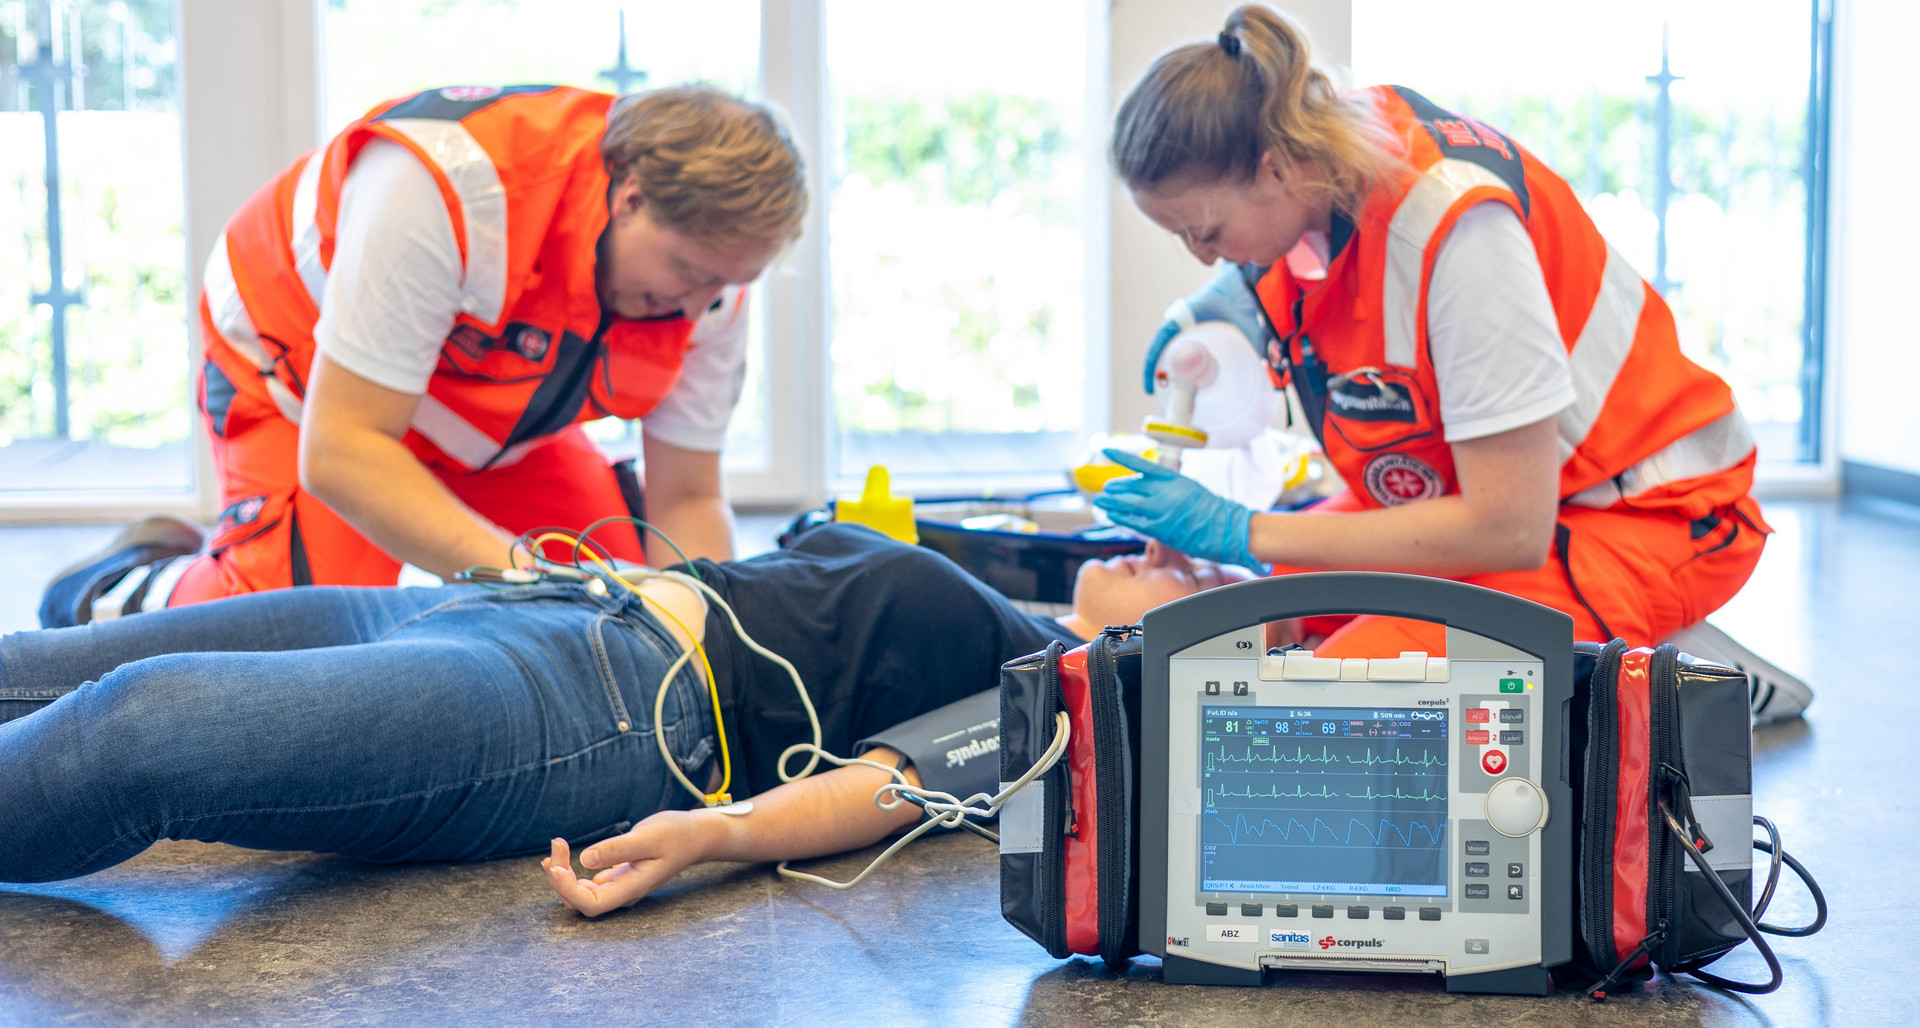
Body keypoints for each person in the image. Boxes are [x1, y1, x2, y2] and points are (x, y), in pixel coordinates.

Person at [1095, 5, 1809, 720]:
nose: (1205, 258)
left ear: (1274, 167)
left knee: (1321, 702)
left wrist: (1241, 530)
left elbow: (1508, 528)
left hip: (1643, 512)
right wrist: (1237, 307)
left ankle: (1683, 680)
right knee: (1280, 592)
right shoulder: (1323, 161)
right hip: (1487, 486)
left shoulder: (1455, 234)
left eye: (1206, 231)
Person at [0, 523, 1249, 907]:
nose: (1160, 553)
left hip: (601, 707)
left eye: (1193, 571)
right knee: (37, 663)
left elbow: (896, 781)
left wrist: (711, 835)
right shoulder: (1015, 599)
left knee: (140, 727)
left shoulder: (1063, 692)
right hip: (516, 600)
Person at [39, 84, 807, 629]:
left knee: (628, 617)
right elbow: (342, 454)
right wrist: (537, 579)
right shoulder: (448, 189)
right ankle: (132, 583)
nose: (699, 307)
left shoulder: (715, 280)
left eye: (728, 283)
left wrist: (713, 637)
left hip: (485, 409)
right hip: (306, 384)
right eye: (689, 273)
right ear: (630, 197)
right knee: (300, 636)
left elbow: (688, 498)